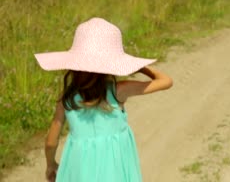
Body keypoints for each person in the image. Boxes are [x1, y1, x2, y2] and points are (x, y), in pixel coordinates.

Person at [35, 17, 173, 182]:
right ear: (112, 63)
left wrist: (51, 164)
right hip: (114, 172)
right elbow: (166, 81)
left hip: (80, 170)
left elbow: (51, 142)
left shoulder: (67, 98)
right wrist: (139, 66)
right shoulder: (118, 91)